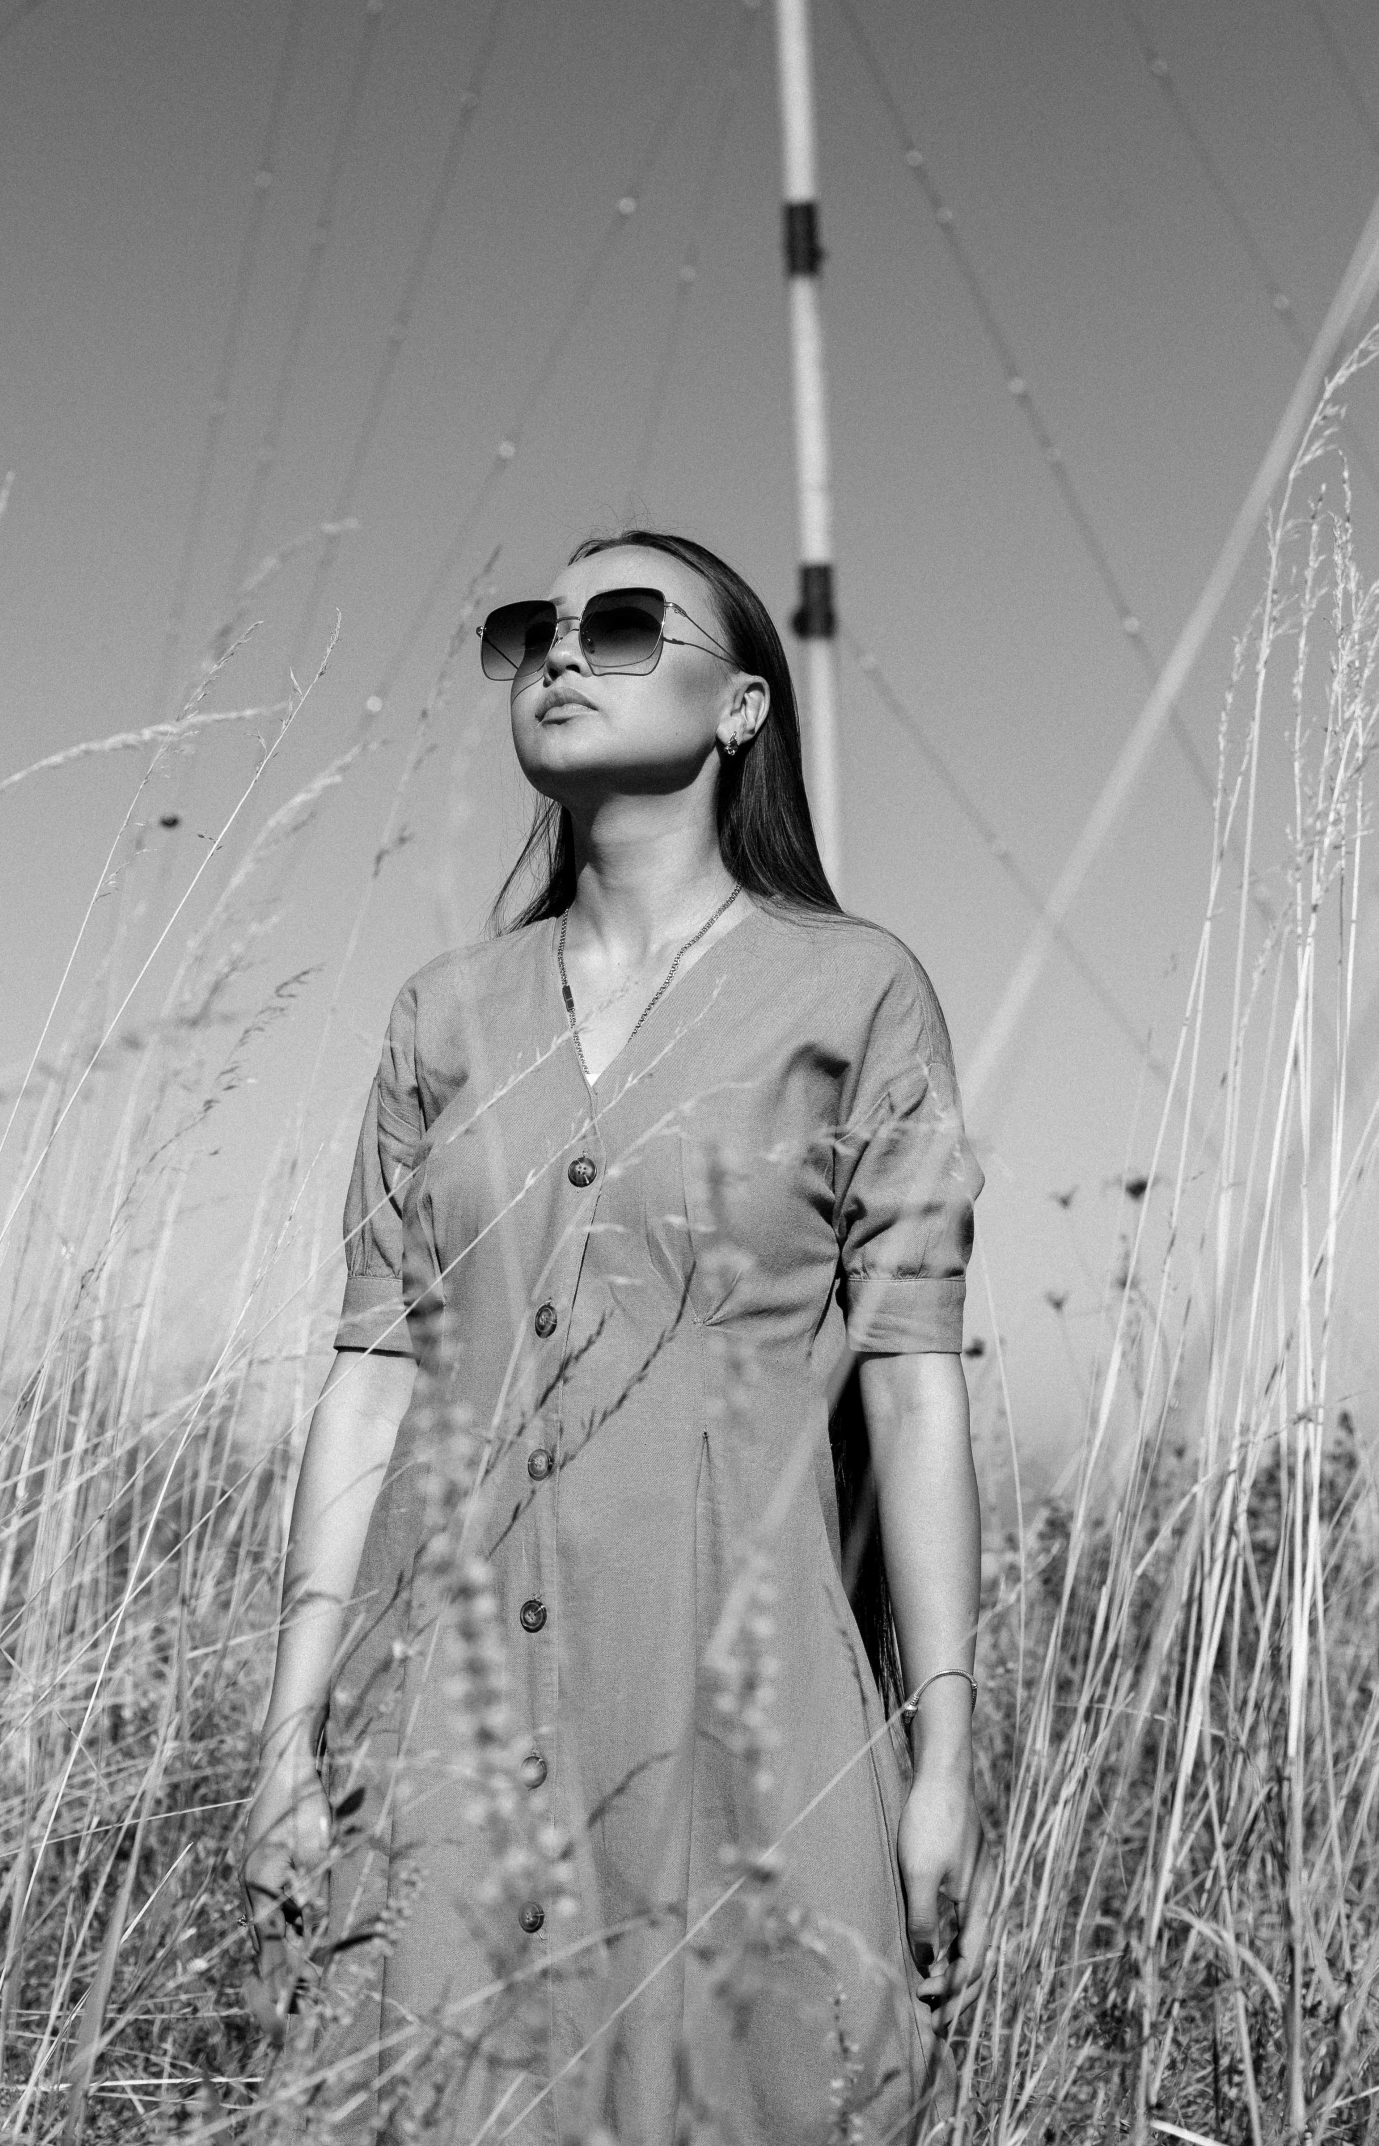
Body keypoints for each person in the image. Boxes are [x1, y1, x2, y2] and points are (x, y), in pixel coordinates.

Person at [243, 530, 995, 2142]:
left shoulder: (855, 994)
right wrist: (291, 1727)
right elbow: (374, 1382)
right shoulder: (444, 1017)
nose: (563, 654)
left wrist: (942, 1750)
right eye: (537, 632)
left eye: (625, 623)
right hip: (439, 1711)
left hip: (744, 1711)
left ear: (740, 708)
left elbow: (914, 1384)